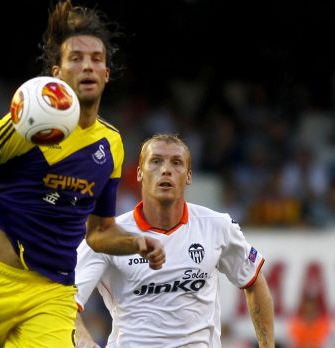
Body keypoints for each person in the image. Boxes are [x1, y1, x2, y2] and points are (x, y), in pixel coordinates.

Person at [0, 1, 166, 347]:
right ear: (57, 73)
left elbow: (100, 232)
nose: (87, 66)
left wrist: (135, 242)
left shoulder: (112, 145)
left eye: (96, 59)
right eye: (76, 58)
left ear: (106, 73)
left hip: (51, 290)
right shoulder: (26, 122)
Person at [75, 134, 275, 348]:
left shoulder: (217, 226)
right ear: (140, 173)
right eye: (156, 161)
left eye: (176, 163)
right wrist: (85, 340)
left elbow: (254, 281)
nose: (166, 169)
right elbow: (64, 302)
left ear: (188, 176)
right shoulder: (106, 236)